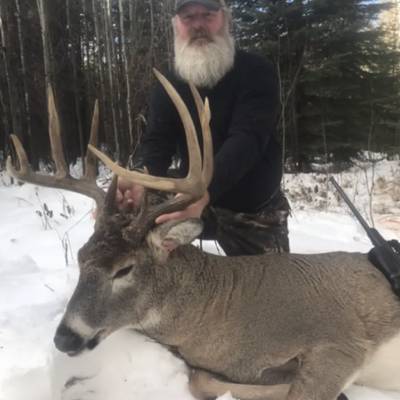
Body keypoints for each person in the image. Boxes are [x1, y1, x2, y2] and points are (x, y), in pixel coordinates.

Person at [117, 0, 290, 256]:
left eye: (208, 15)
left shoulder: (256, 71)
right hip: (189, 201)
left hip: (252, 210)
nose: (198, 25)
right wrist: (138, 179)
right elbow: (157, 141)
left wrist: (203, 192)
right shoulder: (169, 83)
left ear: (225, 19)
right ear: (176, 25)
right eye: (188, 17)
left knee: (270, 281)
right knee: (135, 244)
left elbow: (248, 139)